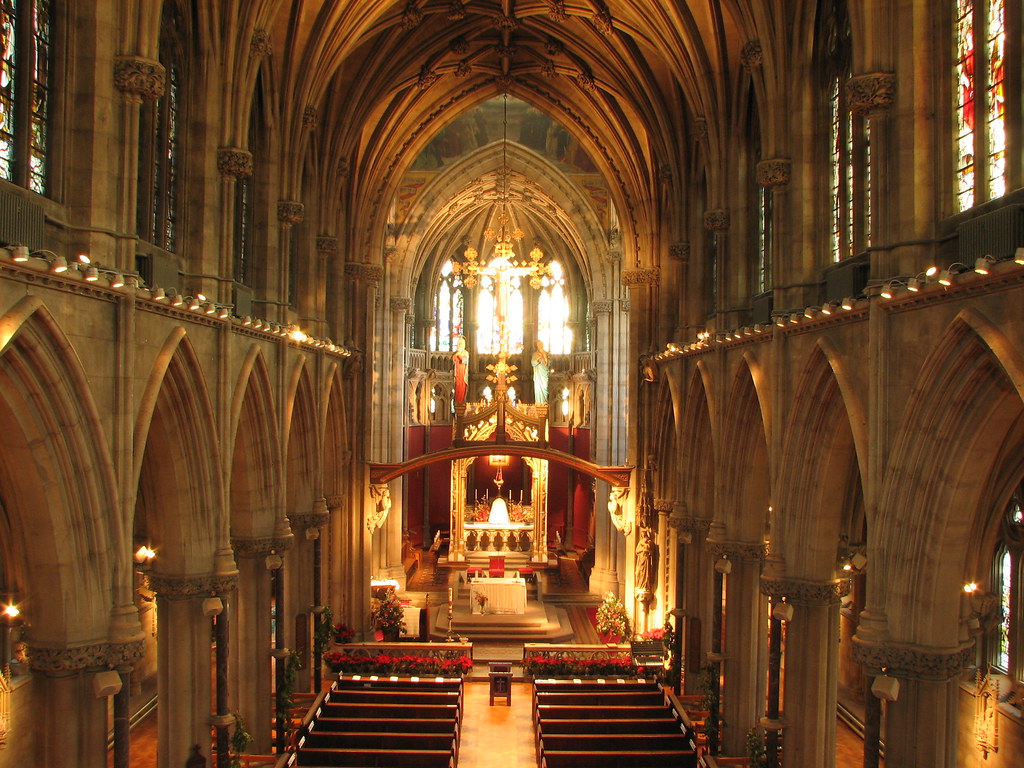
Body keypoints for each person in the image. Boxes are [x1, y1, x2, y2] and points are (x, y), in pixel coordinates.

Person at [452, 336, 469, 405]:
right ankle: (457, 401)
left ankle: (461, 401)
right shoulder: (455, 353)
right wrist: (457, 354)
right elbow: (453, 360)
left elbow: (464, 361)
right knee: (457, 385)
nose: (460, 345)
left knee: (462, 385)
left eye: (462, 343)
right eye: (459, 343)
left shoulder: (465, 353)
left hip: (463, 371)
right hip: (457, 371)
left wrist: (459, 355)